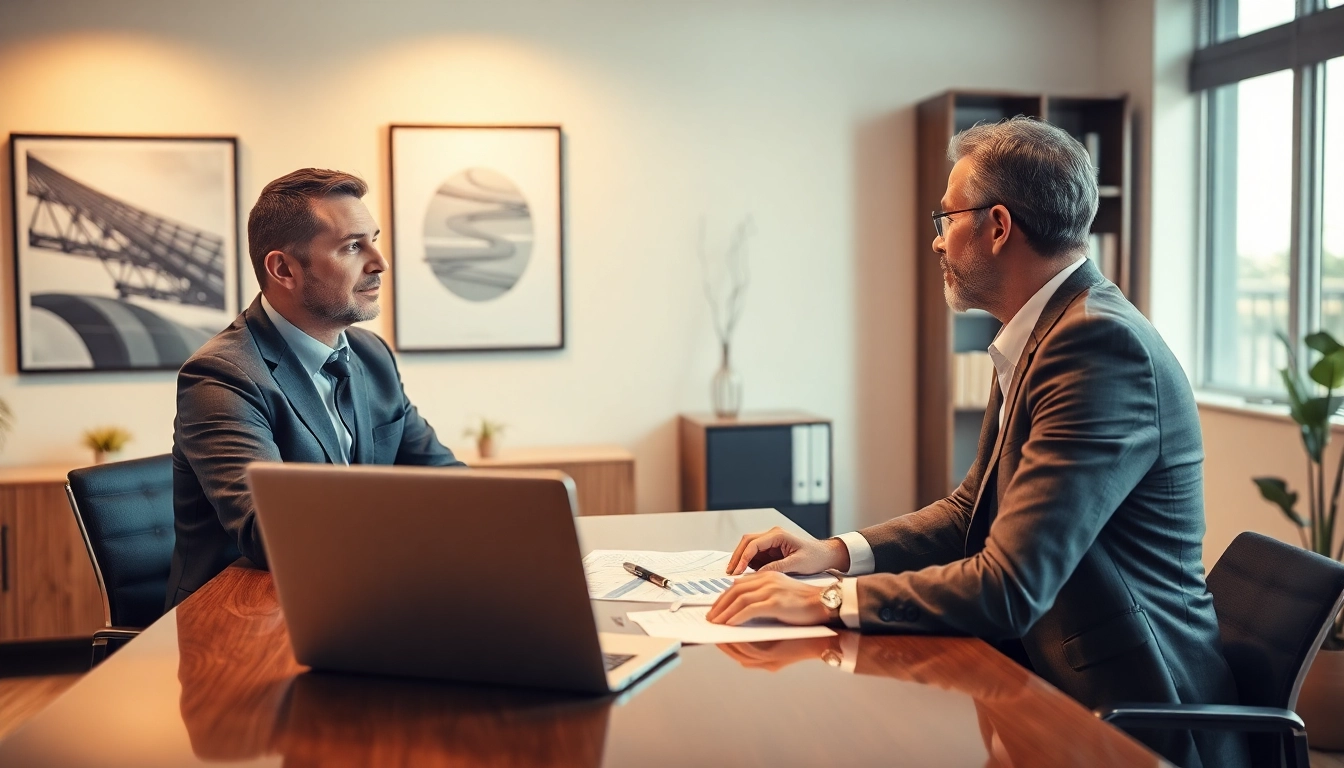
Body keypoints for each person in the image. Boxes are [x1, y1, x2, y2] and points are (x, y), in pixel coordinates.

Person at [706, 117, 1244, 768]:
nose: (937, 240)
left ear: (998, 226)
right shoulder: (1043, 332)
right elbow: (971, 512)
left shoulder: (1096, 346)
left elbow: (1010, 587)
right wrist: (835, 554)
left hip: (1132, 718)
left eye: (946, 217)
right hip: (1053, 681)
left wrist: (826, 599)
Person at [166, 169, 463, 609]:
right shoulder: (221, 375)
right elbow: (268, 533)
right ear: (283, 269)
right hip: (240, 613)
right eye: (352, 247)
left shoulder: (372, 355)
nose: (379, 262)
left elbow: (447, 480)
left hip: (355, 592)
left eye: (373, 240)